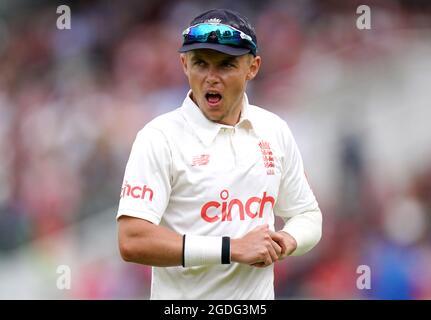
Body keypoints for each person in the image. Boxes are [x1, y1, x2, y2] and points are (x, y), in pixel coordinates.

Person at [117, 8, 322, 300]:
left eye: (226, 65)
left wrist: (287, 240)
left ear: (253, 67)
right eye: (201, 63)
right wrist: (231, 249)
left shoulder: (274, 130)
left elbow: (307, 215)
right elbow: (132, 240)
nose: (211, 78)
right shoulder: (159, 137)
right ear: (184, 64)